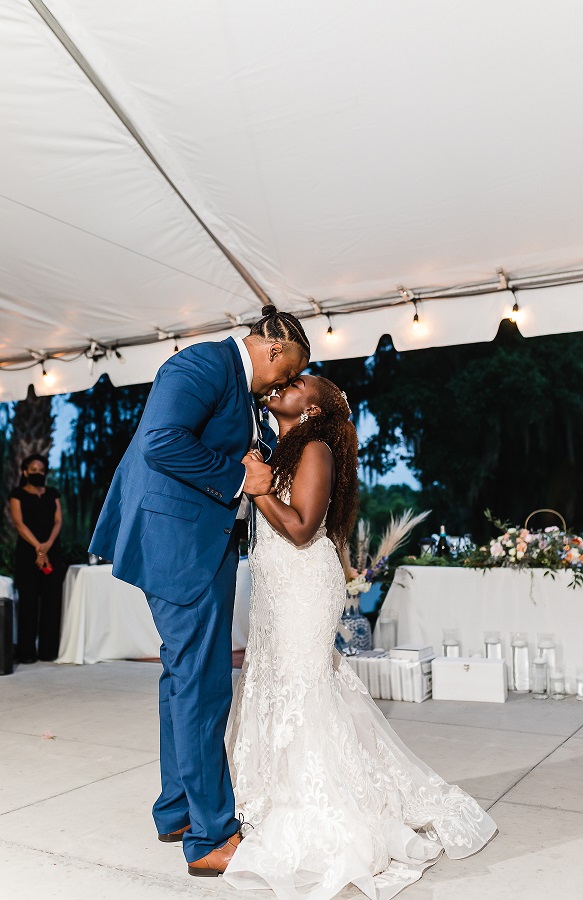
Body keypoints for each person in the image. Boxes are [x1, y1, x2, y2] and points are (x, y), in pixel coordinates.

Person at [224, 374, 497, 899]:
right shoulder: (280, 448)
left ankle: (317, 806)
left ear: (315, 410)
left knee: (303, 689)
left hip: (303, 586)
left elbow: (303, 527)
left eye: (298, 382)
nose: (283, 384)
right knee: (273, 681)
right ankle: (267, 793)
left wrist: (258, 490)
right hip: (276, 586)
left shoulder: (317, 450)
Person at [89, 306, 310, 876]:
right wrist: (239, 478)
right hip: (177, 544)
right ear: (275, 349)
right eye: (287, 375)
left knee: (182, 678)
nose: (282, 386)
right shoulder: (204, 364)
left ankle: (177, 811)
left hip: (196, 542)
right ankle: (211, 836)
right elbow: (161, 442)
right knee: (204, 684)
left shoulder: (231, 379)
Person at [9, 454, 64, 663]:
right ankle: (26, 653)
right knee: (28, 603)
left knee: (52, 603)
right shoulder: (17, 494)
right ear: (25, 472)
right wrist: (39, 549)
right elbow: (19, 524)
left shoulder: (52, 493)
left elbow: (58, 521)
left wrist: (48, 545)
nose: (38, 474)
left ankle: (49, 652)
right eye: (33, 470)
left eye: (41, 470)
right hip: (27, 555)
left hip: (53, 552)